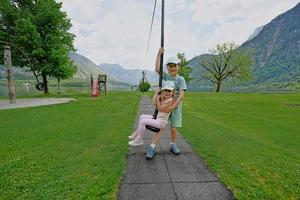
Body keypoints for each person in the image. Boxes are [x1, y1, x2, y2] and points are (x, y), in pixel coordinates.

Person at [146, 47, 187, 159]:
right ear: (168, 68)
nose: (172, 68)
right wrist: (159, 54)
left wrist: (175, 105)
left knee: (173, 128)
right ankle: (152, 147)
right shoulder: (167, 76)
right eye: (170, 66)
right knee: (160, 127)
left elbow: (182, 94)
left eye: (174, 65)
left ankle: (172, 145)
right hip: (165, 105)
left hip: (176, 106)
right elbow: (157, 69)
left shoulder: (181, 79)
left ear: (178, 66)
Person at [128, 81, 176, 146]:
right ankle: (136, 133)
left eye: (169, 91)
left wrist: (158, 99)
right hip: (157, 118)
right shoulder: (164, 98)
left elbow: (160, 108)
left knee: (143, 121)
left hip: (161, 123)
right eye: (165, 90)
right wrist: (156, 94)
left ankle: (139, 140)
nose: (167, 93)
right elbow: (153, 103)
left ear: (173, 92)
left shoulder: (170, 100)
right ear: (163, 91)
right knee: (142, 116)